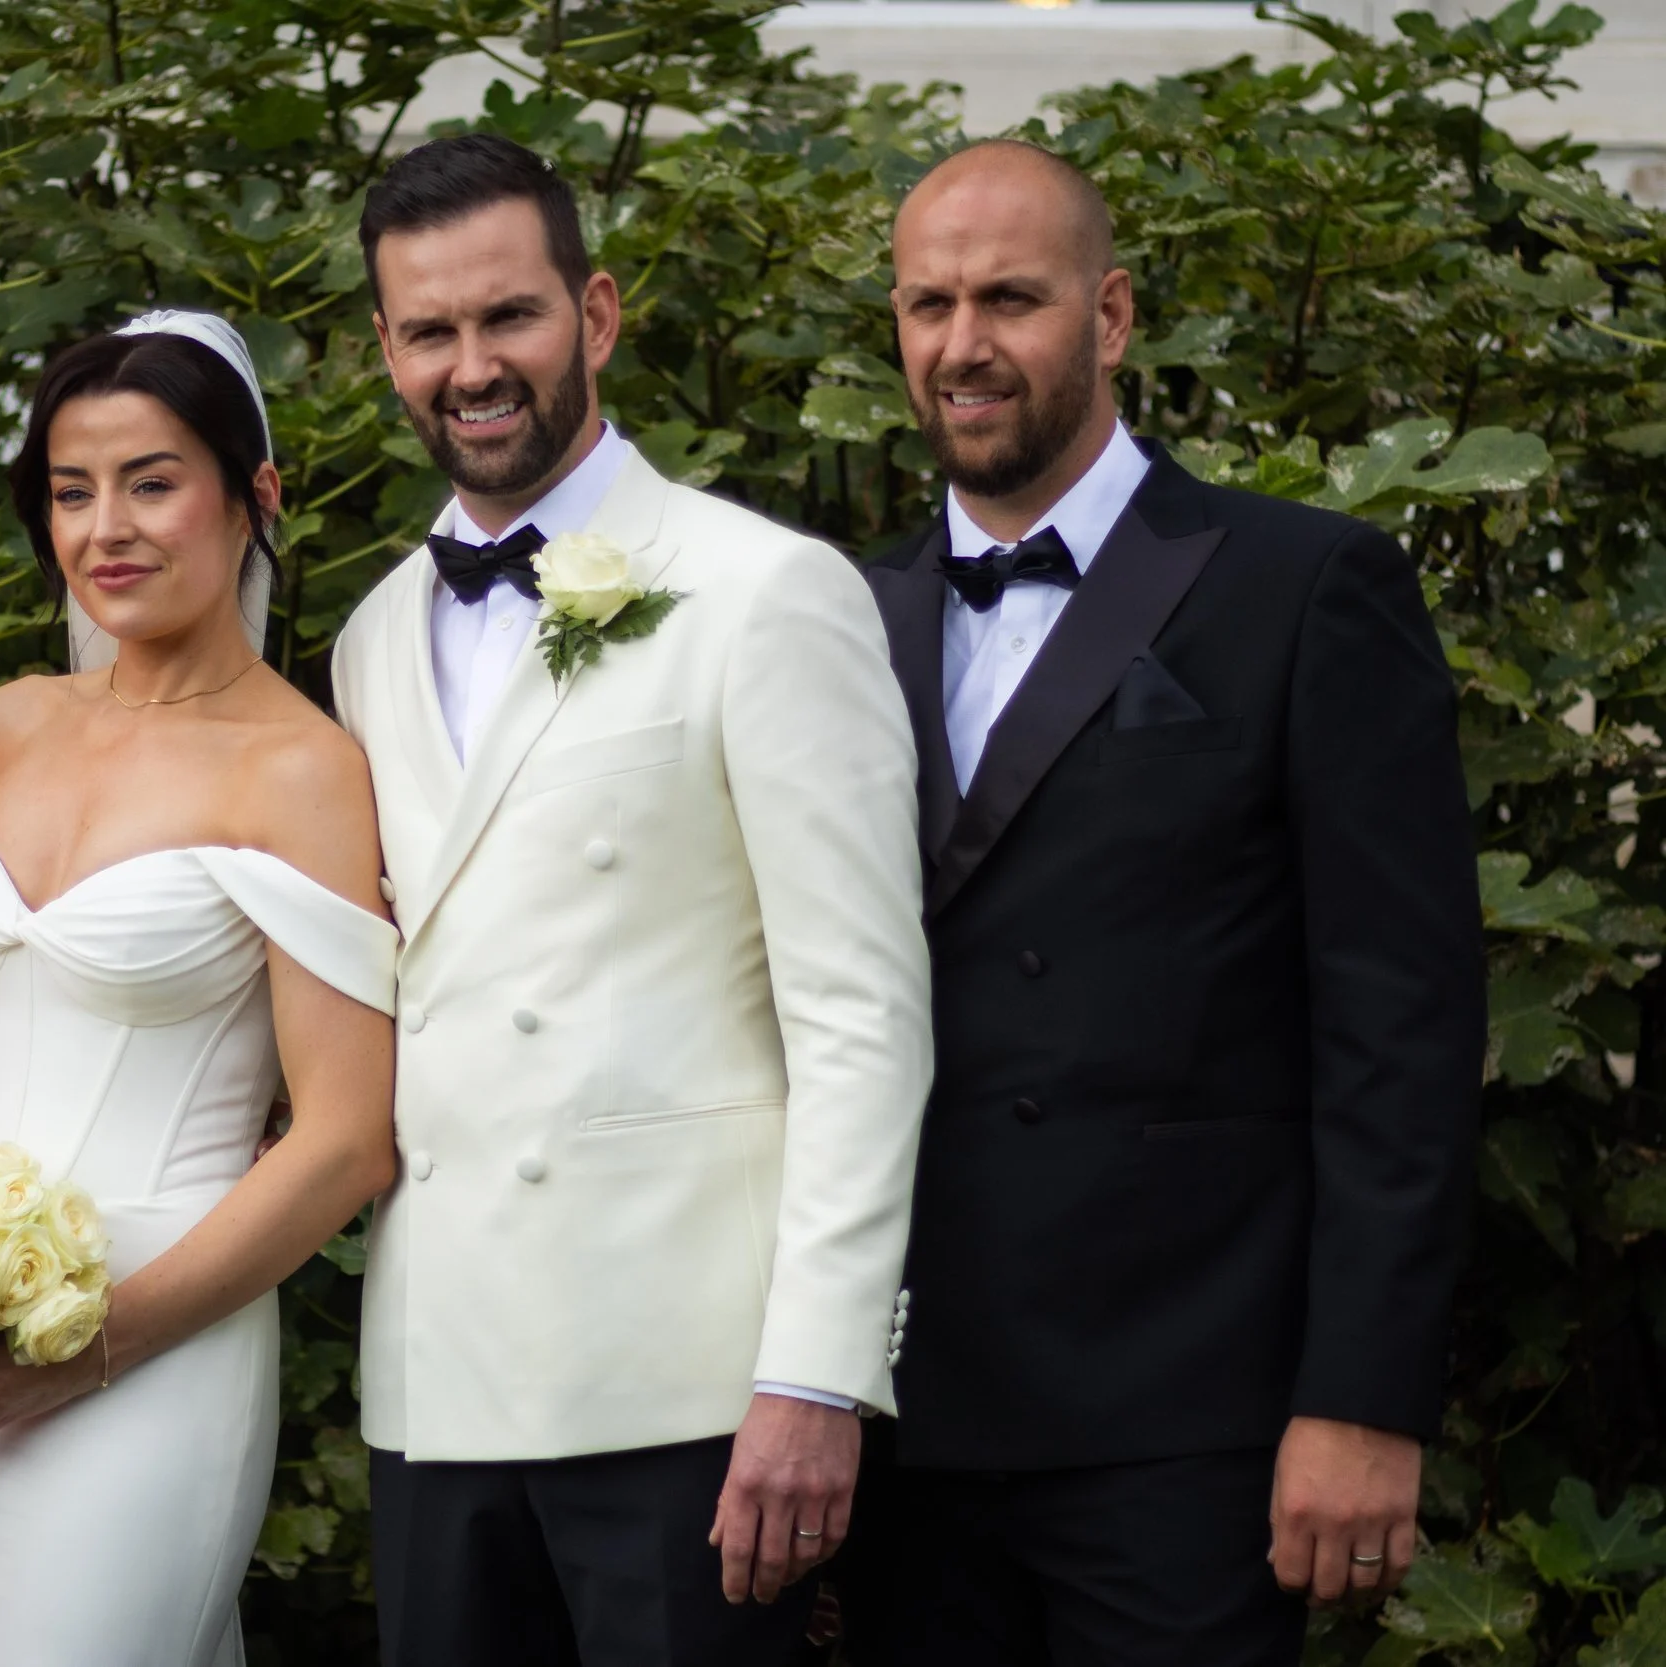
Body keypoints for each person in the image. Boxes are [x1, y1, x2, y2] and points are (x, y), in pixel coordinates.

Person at [834, 140, 1484, 1666]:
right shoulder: (837, 616)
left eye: (1012, 297)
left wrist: (1365, 1395)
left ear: (1112, 314)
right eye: (929, 303)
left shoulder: (1308, 585)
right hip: (911, 1412)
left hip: (1191, 1420)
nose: (964, 344)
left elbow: (1403, 1028)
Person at [328, 133, 933, 1667]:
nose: (474, 365)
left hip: (695, 1394)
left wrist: (819, 1372)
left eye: (509, 317)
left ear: (594, 315)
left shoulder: (766, 590)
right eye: (429, 332)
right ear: (385, 352)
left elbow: (864, 1019)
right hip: (440, 1377)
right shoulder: (371, 635)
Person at [0, 311, 400, 1666]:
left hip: (151, 1338)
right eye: (71, 490)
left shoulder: (303, 769)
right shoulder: (13, 722)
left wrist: (82, 1349)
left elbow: (342, 1140)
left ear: (253, 495)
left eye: (153, 482)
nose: (108, 529)